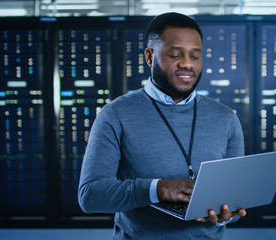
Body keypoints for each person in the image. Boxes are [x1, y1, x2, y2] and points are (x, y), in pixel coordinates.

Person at [78, 12, 247, 240]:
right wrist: (158, 189)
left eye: (195, 56)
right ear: (149, 57)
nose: (187, 63)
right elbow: (90, 196)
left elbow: (234, 196)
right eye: (175, 54)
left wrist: (228, 214)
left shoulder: (226, 118)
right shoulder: (115, 114)